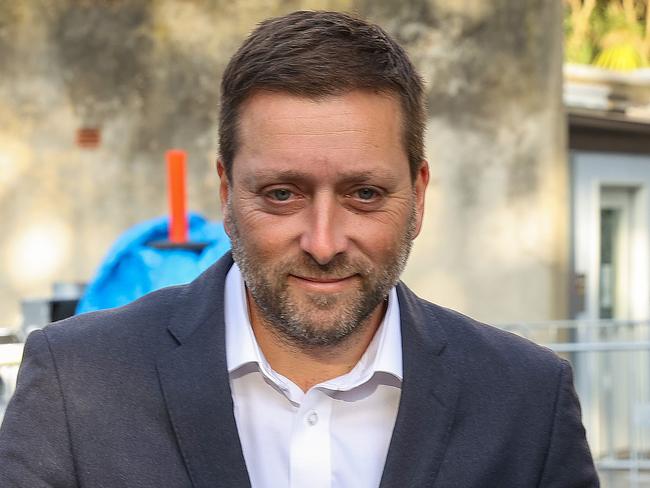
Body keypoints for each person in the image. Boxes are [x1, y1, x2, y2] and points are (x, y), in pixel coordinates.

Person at [0, 10, 598, 488]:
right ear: (226, 191)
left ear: (418, 194)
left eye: (364, 193)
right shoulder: (75, 382)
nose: (323, 242)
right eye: (282, 194)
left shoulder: (525, 400)